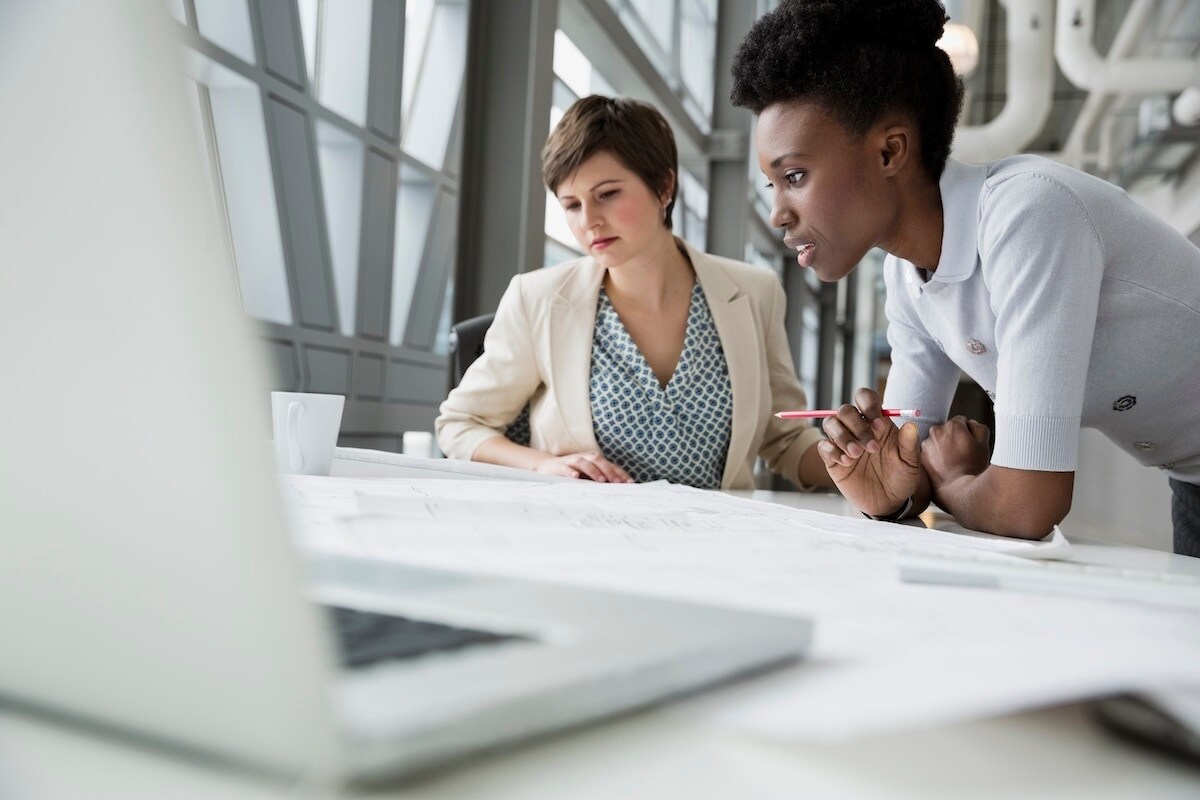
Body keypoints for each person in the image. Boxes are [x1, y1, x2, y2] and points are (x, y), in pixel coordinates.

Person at [730, 0, 1200, 554]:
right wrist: (888, 492)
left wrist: (952, 484)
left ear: (890, 151)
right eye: (773, 184)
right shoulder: (908, 282)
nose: (778, 214)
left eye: (795, 176)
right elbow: (912, 456)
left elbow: (1029, 503)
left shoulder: (1028, 214)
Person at [436, 95, 832, 490]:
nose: (589, 221)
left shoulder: (754, 293)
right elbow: (459, 424)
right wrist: (541, 465)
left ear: (663, 187)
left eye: (607, 194)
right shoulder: (537, 298)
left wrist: (862, 464)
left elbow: (786, 438)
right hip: (584, 537)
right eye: (572, 205)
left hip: (713, 543)